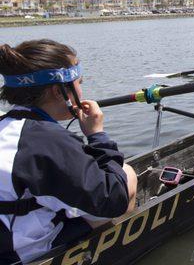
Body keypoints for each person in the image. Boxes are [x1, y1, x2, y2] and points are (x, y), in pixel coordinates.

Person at [0, 39, 137, 264]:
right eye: (79, 83)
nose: (82, 91)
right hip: (16, 255)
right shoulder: (46, 140)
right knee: (127, 174)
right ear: (58, 90)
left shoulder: (6, 126)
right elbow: (114, 199)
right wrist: (97, 136)